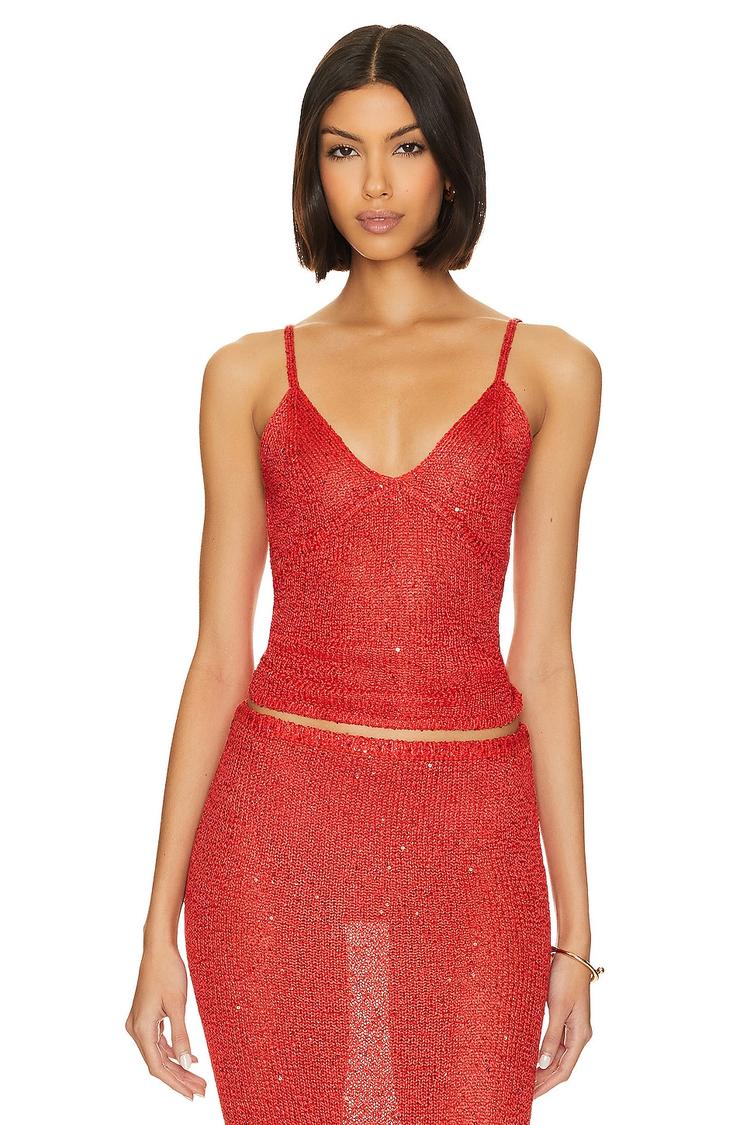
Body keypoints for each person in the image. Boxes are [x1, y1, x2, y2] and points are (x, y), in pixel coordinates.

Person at [125, 22, 604, 1123]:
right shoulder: (247, 374)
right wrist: (156, 928)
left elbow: (543, 659)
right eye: (343, 150)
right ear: (314, 168)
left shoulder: (551, 369)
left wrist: (576, 938)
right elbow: (217, 659)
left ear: (451, 159)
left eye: (406, 146)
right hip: (275, 837)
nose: (375, 184)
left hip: (474, 844)